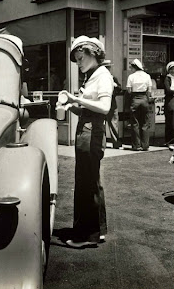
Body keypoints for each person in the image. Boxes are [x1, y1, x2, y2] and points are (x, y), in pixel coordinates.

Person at [58, 36, 113, 248]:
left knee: (85, 182)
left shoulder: (102, 76)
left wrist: (76, 99)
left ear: (92, 53)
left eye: (80, 58)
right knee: (91, 181)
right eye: (77, 59)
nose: (78, 62)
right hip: (90, 129)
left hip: (92, 132)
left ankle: (85, 236)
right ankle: (97, 230)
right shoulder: (93, 76)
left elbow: (105, 107)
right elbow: (87, 108)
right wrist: (70, 105)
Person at [126, 58, 152, 151]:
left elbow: (129, 90)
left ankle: (136, 145)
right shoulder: (147, 76)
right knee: (145, 122)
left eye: (131, 67)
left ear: (135, 67)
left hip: (135, 99)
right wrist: (146, 98)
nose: (131, 69)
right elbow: (149, 91)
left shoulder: (131, 77)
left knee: (135, 123)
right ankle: (145, 145)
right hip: (144, 99)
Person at [103, 60, 123, 149]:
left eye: (108, 67)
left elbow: (120, 89)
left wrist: (115, 87)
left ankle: (115, 142)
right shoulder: (100, 78)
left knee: (113, 122)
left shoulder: (113, 78)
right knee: (104, 123)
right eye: (106, 67)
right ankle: (103, 142)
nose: (108, 69)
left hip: (111, 101)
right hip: (104, 101)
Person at [164, 61, 174, 144]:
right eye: (171, 69)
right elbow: (168, 90)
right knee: (170, 122)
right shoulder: (167, 78)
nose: (173, 71)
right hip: (170, 102)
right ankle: (169, 140)